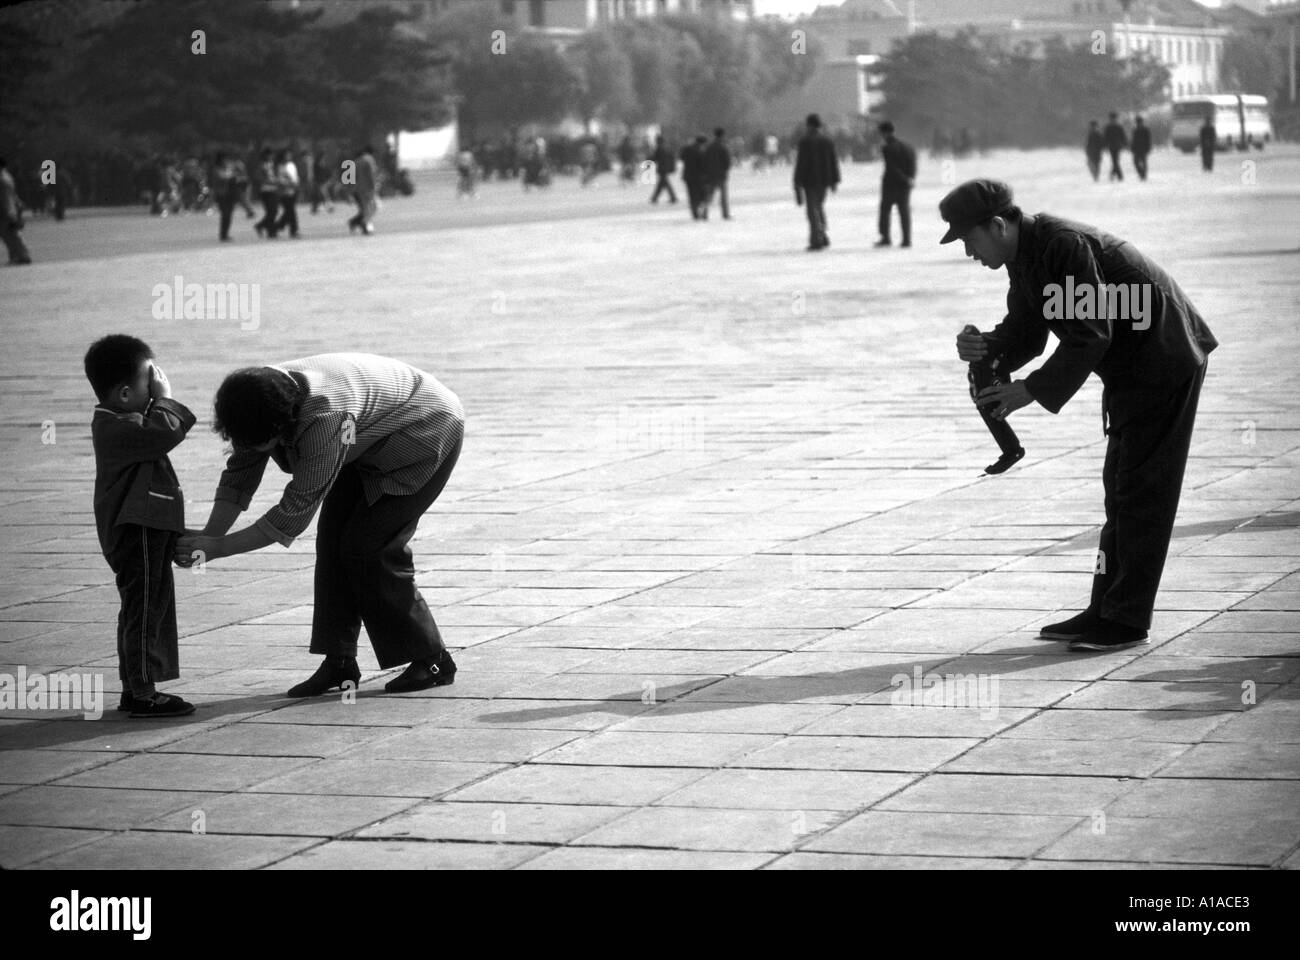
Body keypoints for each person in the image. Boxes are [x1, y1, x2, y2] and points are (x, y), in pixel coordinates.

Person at [942, 179, 1218, 651]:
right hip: (1133, 369)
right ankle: (1104, 608)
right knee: (1120, 492)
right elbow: (1027, 333)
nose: (969, 251)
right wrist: (986, 346)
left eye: (969, 240)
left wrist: (1030, 390)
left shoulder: (1061, 246)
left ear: (997, 225)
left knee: (1142, 493)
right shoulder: (1026, 255)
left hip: (1164, 359)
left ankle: (1127, 619)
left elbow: (1091, 333)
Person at [177, 354, 465, 697]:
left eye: (262, 444)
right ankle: (339, 662)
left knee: (368, 547)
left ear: (283, 428)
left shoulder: (324, 419)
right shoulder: (257, 399)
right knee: (332, 544)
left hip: (424, 431)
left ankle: (432, 660)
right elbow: (241, 474)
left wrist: (217, 549)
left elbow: (293, 513)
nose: (251, 449)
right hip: (363, 439)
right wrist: (210, 535)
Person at [84, 335, 197, 718]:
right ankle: (144, 693)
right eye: (151, 381)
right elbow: (165, 433)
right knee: (145, 609)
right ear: (126, 394)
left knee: (142, 607)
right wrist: (166, 398)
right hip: (138, 532)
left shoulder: (125, 420)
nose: (156, 387)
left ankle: (135, 688)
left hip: (144, 529)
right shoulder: (119, 427)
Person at [793, 113, 840, 252]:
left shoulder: (805, 141)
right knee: (819, 207)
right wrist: (834, 181)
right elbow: (833, 162)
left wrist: (797, 181)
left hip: (810, 181)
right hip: (824, 181)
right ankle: (823, 234)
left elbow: (801, 163)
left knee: (812, 210)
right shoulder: (828, 141)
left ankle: (816, 240)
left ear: (810, 125)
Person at [876, 120, 916, 247]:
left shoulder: (887, 148)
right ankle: (906, 239)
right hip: (905, 185)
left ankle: (886, 237)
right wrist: (910, 178)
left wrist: (903, 178)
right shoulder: (907, 146)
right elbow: (913, 165)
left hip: (891, 184)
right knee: (904, 211)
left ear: (884, 133)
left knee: (885, 211)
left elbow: (892, 168)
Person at [0, 157, 32, 265]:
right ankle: (17, 256)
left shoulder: (2, 179)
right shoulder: (7, 177)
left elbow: (5, 198)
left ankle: (22, 256)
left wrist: (8, 211)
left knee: (10, 235)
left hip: (5, 211)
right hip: (10, 209)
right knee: (10, 235)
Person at [211, 151, 245, 243]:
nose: (226, 161)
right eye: (224, 159)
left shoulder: (229, 168)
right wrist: (232, 174)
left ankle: (225, 234)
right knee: (225, 214)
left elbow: (238, 175)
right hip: (221, 194)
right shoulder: (217, 169)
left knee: (229, 214)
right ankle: (223, 234)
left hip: (230, 194)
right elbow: (223, 178)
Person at [348, 144, 378, 235]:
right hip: (368, 188)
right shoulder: (369, 160)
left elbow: (350, 177)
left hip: (359, 189)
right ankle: (364, 224)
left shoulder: (356, 162)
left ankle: (360, 224)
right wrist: (374, 186)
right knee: (373, 207)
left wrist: (350, 190)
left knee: (365, 208)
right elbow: (371, 175)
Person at [702, 127, 732, 220]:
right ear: (722, 135)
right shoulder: (723, 147)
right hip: (721, 174)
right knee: (723, 196)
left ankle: (705, 212)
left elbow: (704, 160)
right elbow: (727, 162)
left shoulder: (709, 147)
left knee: (709, 195)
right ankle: (725, 214)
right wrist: (725, 169)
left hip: (710, 175)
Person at [273, 148, 300, 239]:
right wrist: (288, 183)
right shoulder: (280, 166)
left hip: (292, 190)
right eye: (287, 155)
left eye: (289, 154)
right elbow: (279, 179)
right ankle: (294, 230)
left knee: (289, 212)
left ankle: (276, 227)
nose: (289, 156)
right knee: (291, 211)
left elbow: (295, 176)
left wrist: (296, 183)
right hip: (284, 192)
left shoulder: (292, 165)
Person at [253, 147, 279, 238]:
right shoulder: (261, 165)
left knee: (274, 211)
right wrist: (269, 181)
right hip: (265, 190)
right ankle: (271, 231)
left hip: (273, 189)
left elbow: (273, 176)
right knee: (271, 211)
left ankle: (261, 226)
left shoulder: (271, 164)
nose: (272, 156)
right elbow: (259, 178)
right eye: (270, 155)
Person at [679, 135, 707, 219]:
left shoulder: (687, 149)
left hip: (688, 176)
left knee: (692, 195)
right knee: (701, 195)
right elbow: (703, 165)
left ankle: (694, 213)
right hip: (699, 177)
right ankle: (701, 212)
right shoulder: (701, 151)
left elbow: (681, 157)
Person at [649, 134, 677, 204]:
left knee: (664, 183)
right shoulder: (667, 148)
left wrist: (648, 160)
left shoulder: (659, 148)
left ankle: (672, 197)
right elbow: (671, 158)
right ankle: (655, 197)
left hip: (662, 168)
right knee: (663, 183)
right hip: (666, 168)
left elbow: (655, 157)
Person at [1103, 112, 1127, 181]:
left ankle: (1116, 175)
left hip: (1116, 146)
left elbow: (1123, 136)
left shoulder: (1117, 127)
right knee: (1115, 161)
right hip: (1113, 146)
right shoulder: (1109, 127)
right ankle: (1118, 175)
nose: (1113, 120)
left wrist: (1125, 144)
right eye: (1112, 118)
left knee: (1115, 161)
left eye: (1113, 118)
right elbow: (1105, 138)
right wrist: (1105, 146)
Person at [1131, 115, 1152, 181]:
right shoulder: (1135, 130)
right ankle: (1142, 173)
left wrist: (1148, 148)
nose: (1138, 123)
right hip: (1137, 149)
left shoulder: (1145, 130)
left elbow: (1148, 140)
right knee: (1136, 162)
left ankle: (1143, 174)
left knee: (1143, 162)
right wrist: (1132, 148)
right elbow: (1133, 140)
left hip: (1143, 148)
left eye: (1138, 122)